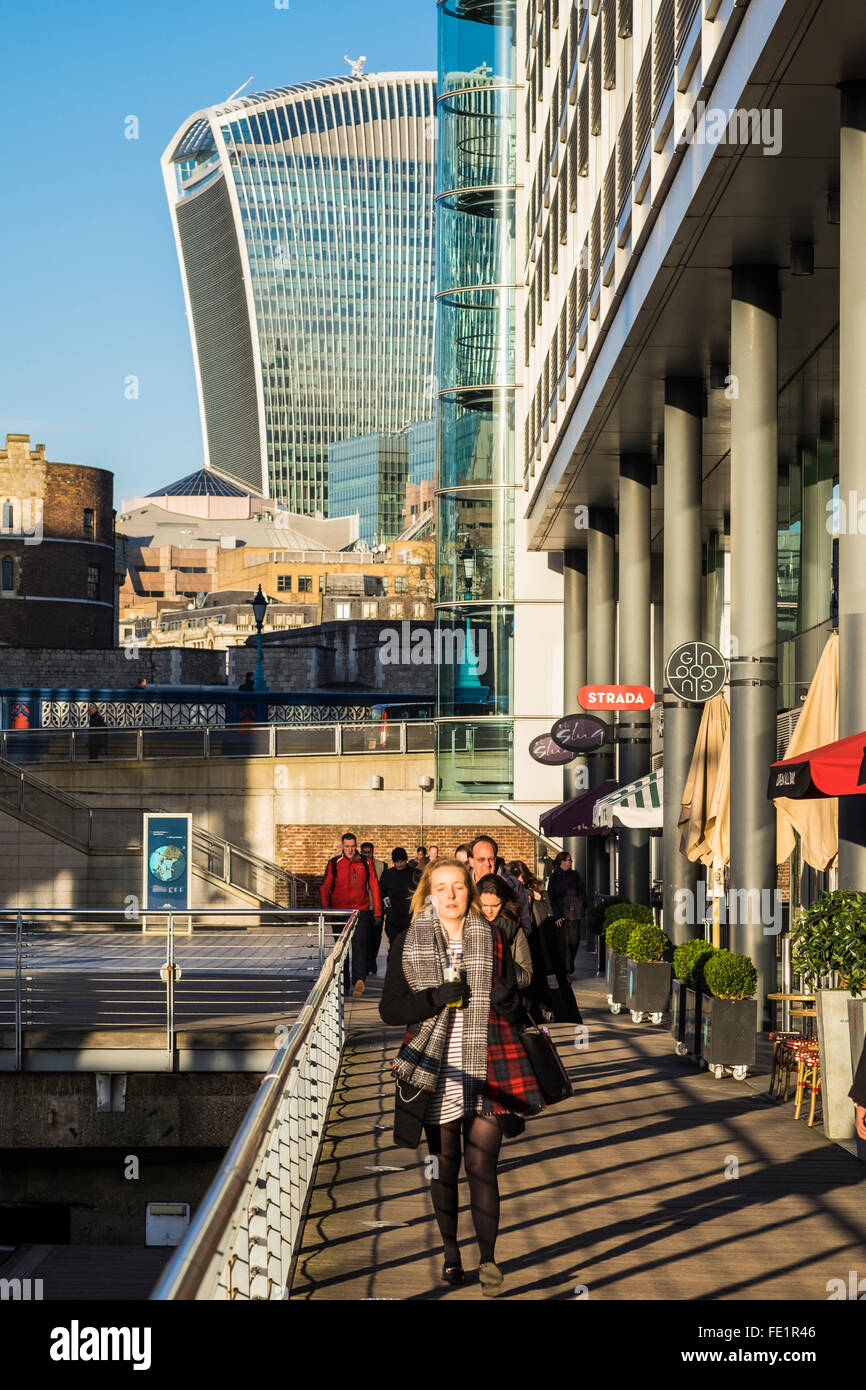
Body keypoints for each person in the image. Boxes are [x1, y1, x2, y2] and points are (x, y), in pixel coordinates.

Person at [379, 858, 546, 1294]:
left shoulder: (491, 936)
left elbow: (518, 1008)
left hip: (490, 1062)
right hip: (436, 1070)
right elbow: (390, 1010)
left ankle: (488, 1261)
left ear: (469, 893)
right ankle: (452, 1255)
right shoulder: (407, 942)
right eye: (441, 887)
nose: (451, 895)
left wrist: (508, 998)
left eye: (458, 887)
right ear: (428, 894)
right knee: (445, 1167)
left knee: (482, 1167)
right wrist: (433, 998)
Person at [507, 860, 581, 1024]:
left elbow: (557, 936)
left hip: (546, 961)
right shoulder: (509, 907)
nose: (517, 888)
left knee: (558, 1007)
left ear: (525, 880)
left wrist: (565, 968)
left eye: (519, 882)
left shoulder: (541, 900)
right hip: (526, 963)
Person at [320, 832, 382, 997]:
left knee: (360, 946)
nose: (350, 849)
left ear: (356, 845)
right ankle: (344, 984)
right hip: (339, 912)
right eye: (346, 846)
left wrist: (377, 912)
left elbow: (374, 887)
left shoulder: (365, 862)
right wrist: (327, 911)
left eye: (352, 846)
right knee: (342, 949)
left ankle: (359, 980)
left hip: (360, 911)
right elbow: (325, 888)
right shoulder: (334, 863)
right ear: (342, 846)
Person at [475, 874, 532, 989]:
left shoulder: (512, 926)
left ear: (504, 902)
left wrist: (501, 959)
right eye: (484, 905)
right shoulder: (466, 924)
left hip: (501, 997)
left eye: (495, 905)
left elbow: (526, 977)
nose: (489, 911)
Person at [468, 836, 531, 934]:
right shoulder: (460, 884)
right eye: (481, 859)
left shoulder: (513, 886)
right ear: (471, 861)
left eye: (491, 859)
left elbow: (525, 924)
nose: (487, 864)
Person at [547, 850, 587, 976]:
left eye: (571, 860)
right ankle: (567, 970)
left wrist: (581, 904)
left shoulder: (575, 875)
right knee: (563, 943)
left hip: (575, 913)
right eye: (568, 859)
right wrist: (557, 915)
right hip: (561, 913)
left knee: (574, 942)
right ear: (562, 861)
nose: (571, 862)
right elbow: (551, 897)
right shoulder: (554, 877)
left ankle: (569, 965)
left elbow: (582, 891)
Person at [379, 847, 416, 950]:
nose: (399, 864)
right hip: (393, 917)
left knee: (408, 947)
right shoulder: (387, 874)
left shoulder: (414, 874)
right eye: (397, 862)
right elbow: (382, 892)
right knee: (394, 946)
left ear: (406, 860)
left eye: (402, 861)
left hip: (409, 916)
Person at [360, 841, 387, 974]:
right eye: (364, 853)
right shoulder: (358, 865)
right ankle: (366, 963)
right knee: (364, 937)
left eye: (369, 852)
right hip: (363, 907)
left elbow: (385, 887)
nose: (366, 855)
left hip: (377, 907)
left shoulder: (381, 866)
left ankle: (372, 961)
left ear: (373, 852)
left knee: (376, 938)